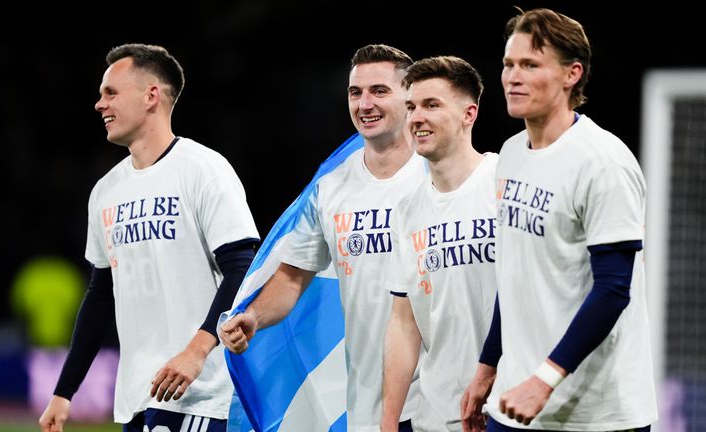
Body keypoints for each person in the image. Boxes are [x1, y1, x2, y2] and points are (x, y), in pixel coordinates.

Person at [38, 43, 260, 432]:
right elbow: (101, 295)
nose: (99, 104)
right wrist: (64, 391)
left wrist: (196, 352)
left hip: (199, 393)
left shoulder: (203, 169)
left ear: (151, 96)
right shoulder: (106, 191)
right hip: (138, 397)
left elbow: (242, 269)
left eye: (111, 92)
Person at [460, 7, 657, 432]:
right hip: (513, 403)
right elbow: (515, 274)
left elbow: (613, 289)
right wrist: (487, 366)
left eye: (530, 65)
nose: (512, 76)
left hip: (595, 413)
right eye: (508, 64)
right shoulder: (510, 154)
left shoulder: (603, 163)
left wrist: (544, 380)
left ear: (572, 74)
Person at [219, 44, 426, 431]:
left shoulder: (441, 174)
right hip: (365, 401)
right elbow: (292, 276)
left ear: (410, 97)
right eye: (355, 92)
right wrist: (253, 316)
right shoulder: (330, 188)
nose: (365, 103)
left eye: (379, 91)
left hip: (436, 395)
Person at [381, 56, 498, 432]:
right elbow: (404, 324)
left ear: (469, 114)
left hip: (507, 407)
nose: (416, 117)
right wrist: (388, 423)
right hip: (436, 414)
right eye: (412, 106)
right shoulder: (407, 209)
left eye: (432, 105)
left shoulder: (506, 182)